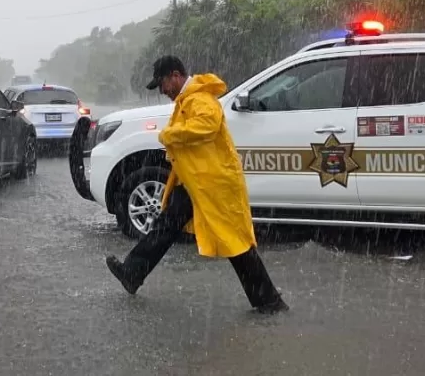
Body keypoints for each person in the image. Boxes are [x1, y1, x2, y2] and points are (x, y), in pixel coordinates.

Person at [105, 55, 289, 314]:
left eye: (162, 83)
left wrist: (169, 135)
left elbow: (207, 125)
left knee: (234, 241)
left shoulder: (200, 98)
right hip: (196, 182)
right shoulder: (187, 100)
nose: (162, 90)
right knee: (166, 226)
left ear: (175, 75)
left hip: (214, 184)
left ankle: (269, 301)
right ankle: (132, 272)